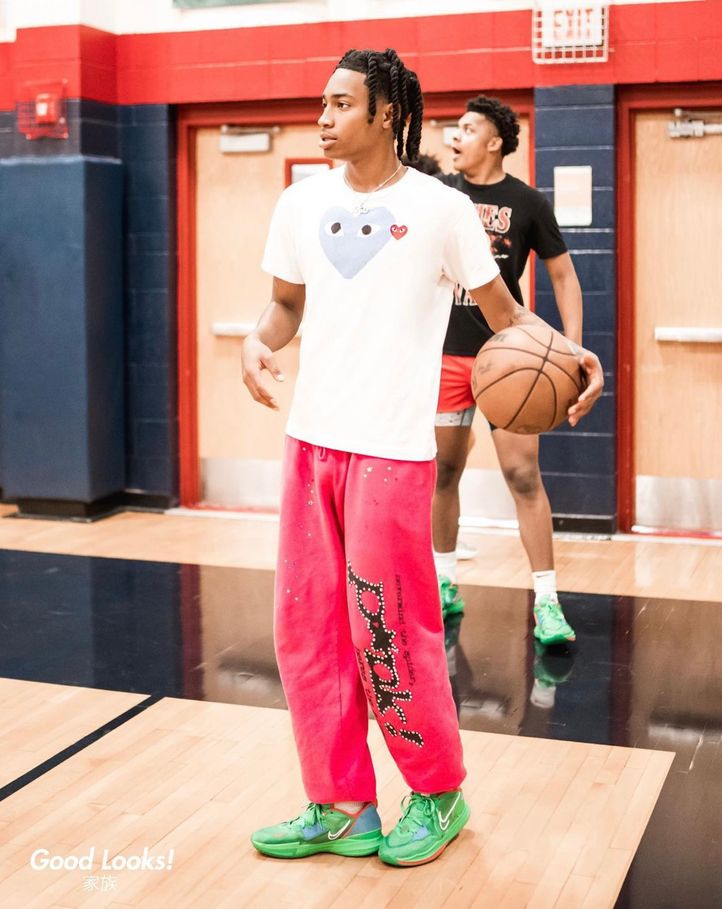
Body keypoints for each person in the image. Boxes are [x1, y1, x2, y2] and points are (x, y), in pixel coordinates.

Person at [241, 50, 603, 868]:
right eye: (322, 102)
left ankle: (436, 791)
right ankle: (341, 804)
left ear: (385, 114)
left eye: (341, 104)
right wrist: (256, 345)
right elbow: (285, 306)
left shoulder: (442, 210)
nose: (324, 116)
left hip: (392, 452)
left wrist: (575, 357)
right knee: (306, 629)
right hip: (311, 443)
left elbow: (506, 315)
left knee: (389, 632)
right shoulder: (299, 203)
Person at [432, 96, 584, 646]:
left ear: (494, 141)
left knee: (523, 478)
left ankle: (547, 602)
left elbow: (564, 276)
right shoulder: (440, 194)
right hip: (444, 354)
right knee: (443, 474)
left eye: (468, 128)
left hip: (508, 356)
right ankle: (444, 582)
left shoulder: (526, 202)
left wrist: (569, 347)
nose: (457, 134)